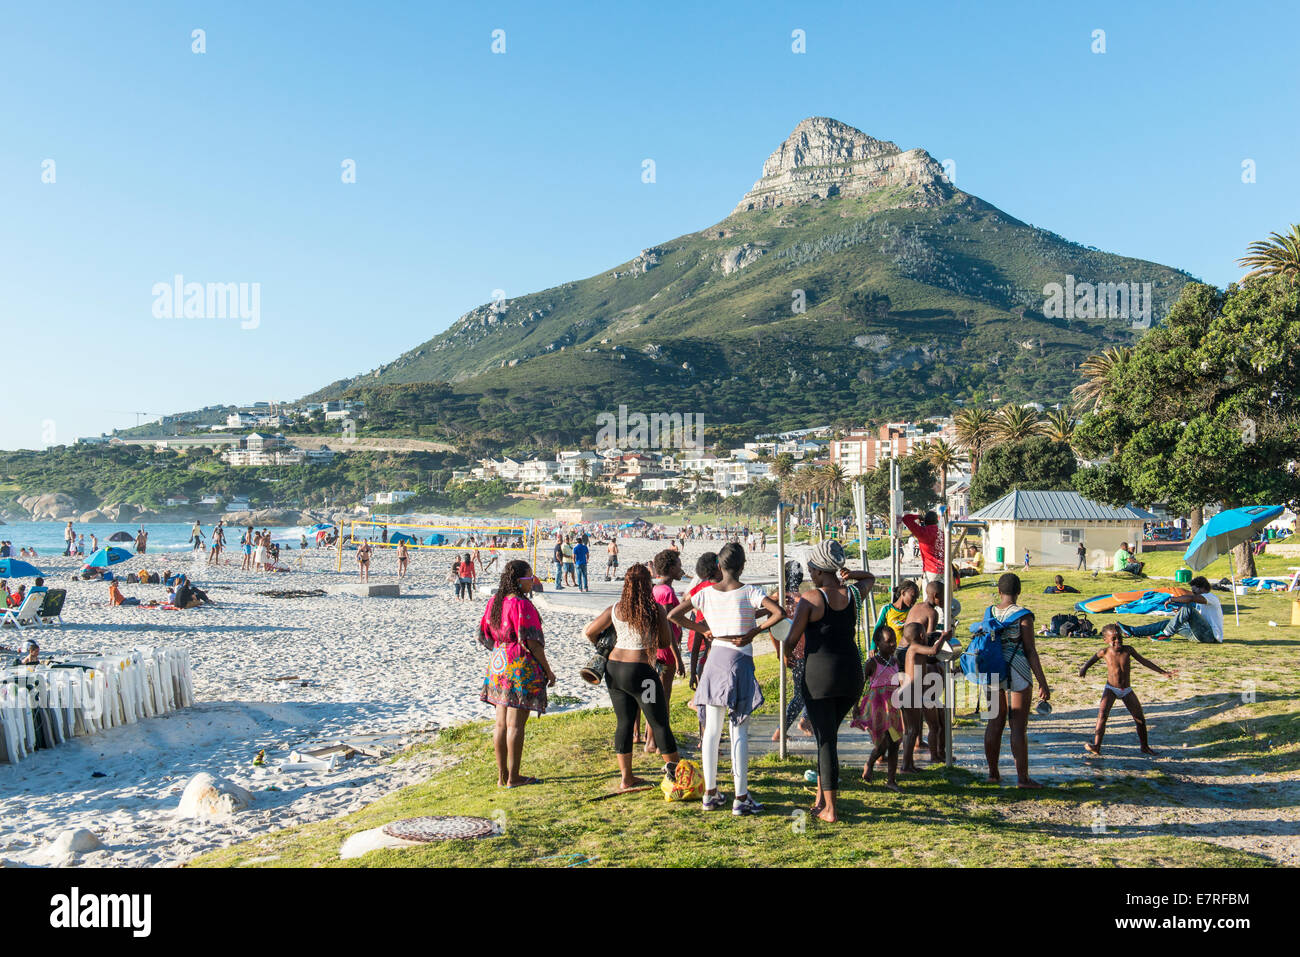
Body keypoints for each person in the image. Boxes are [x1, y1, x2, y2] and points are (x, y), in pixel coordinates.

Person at [668, 542, 786, 815]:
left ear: (719, 566)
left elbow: (674, 615)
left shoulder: (706, 593)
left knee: (711, 730)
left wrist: (701, 628)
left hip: (715, 660)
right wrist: (754, 631)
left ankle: (710, 794)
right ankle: (740, 796)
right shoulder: (750, 592)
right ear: (743, 566)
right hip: (739, 659)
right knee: (738, 730)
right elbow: (779, 612)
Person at [779, 540, 873, 823]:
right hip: (851, 677)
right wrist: (848, 573)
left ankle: (831, 808)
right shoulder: (853, 593)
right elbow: (870, 577)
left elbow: (792, 638)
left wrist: (785, 656)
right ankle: (821, 797)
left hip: (820, 678)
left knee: (826, 742)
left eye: (811, 568)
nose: (808, 572)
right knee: (826, 736)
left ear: (820, 570)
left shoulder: (811, 599)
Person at [583, 565, 682, 791]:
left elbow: (590, 631)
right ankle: (676, 775)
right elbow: (665, 643)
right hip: (641, 672)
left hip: (614, 669)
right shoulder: (655, 609)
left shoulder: (615, 609)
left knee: (624, 722)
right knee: (659, 722)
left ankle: (626, 779)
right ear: (648, 584)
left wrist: (604, 644)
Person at [478, 560, 556, 787]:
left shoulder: (495, 601)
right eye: (529, 577)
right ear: (518, 580)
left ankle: (502, 776)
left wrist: (501, 648)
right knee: (515, 725)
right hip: (519, 662)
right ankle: (514, 776)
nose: (532, 581)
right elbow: (532, 641)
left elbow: (484, 633)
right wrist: (548, 671)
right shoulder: (522, 605)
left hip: (498, 662)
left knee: (500, 724)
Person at [983, 573, 1051, 787]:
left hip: (992, 672)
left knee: (994, 724)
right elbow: (1030, 650)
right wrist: (1042, 681)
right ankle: (1023, 778)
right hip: (1018, 671)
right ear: (1018, 591)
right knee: (1018, 727)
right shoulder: (1024, 616)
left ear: (1000, 592)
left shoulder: (989, 612)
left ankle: (993, 774)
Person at [1079, 623, 1176, 756]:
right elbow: (1092, 660)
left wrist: (1163, 672)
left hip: (1126, 690)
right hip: (1111, 689)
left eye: (1119, 638)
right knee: (1102, 716)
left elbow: (1144, 661)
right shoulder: (1105, 652)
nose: (1117, 641)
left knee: (1139, 719)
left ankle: (1144, 746)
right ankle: (1097, 746)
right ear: (1105, 640)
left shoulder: (1128, 650)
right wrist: (1084, 669)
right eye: (1113, 639)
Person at [852, 625, 903, 790]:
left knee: (895, 742)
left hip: (893, 709)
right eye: (888, 642)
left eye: (894, 641)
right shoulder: (872, 663)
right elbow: (859, 685)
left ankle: (891, 780)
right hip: (877, 708)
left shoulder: (896, 662)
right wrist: (855, 706)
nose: (893, 645)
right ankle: (870, 763)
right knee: (882, 744)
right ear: (877, 643)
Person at [772, 559, 813, 742]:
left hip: (794, 652)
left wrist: (780, 652)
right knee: (801, 693)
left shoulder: (777, 597)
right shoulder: (799, 599)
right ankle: (781, 731)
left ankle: (804, 720)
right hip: (801, 652)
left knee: (807, 690)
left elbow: (772, 631)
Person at [1118, 576, 1223, 643]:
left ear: (1203, 589)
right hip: (1197, 634)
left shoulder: (1211, 598)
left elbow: (1190, 599)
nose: (1193, 593)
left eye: (1195, 591)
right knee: (1168, 623)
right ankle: (1133, 631)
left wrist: (1172, 599)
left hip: (1210, 636)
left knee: (1187, 608)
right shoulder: (1201, 602)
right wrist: (1180, 614)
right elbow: (1197, 619)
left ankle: (1166, 634)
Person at [900, 511, 944, 584]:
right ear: (936, 521)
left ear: (925, 521)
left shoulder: (923, 532)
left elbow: (906, 518)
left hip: (931, 570)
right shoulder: (941, 533)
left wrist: (917, 516)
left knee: (930, 594)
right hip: (943, 569)